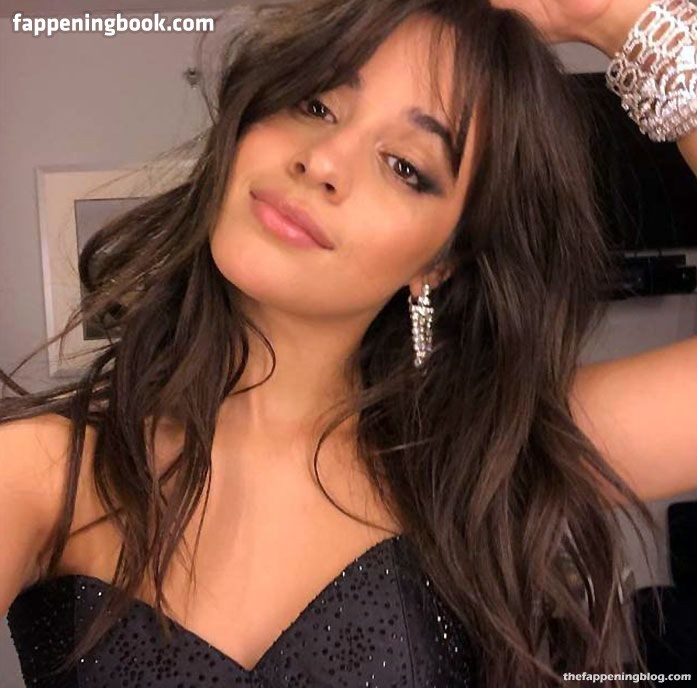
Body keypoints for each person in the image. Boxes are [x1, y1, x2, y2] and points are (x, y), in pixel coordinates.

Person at [1, 0, 696, 685]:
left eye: (404, 165)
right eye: (314, 104)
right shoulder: (44, 474)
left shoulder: (484, 459)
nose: (323, 160)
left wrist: (616, 18)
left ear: (441, 261)